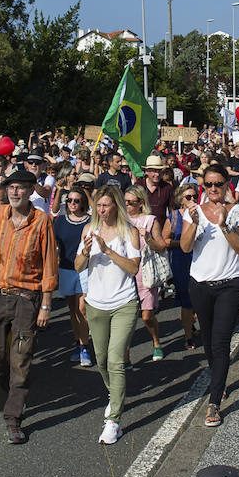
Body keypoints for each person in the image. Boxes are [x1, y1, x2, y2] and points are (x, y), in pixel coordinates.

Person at [0, 170, 58, 445]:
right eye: (12, 187)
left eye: (21, 188)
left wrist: (46, 305)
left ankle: (14, 417)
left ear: (31, 191)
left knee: (21, 356)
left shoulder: (42, 221)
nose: (15, 192)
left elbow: (49, 263)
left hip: (27, 297)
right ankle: (14, 389)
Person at [178, 164, 239, 426]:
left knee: (220, 343)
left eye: (218, 184)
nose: (213, 189)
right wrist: (193, 224)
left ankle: (214, 402)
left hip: (229, 285)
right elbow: (185, 248)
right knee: (208, 341)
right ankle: (219, 379)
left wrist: (224, 225)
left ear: (227, 184)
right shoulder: (194, 212)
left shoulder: (238, 212)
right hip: (200, 284)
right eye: (208, 184)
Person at [76, 185, 141, 444]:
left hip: (124, 302)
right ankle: (114, 395)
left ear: (116, 206)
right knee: (101, 360)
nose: (102, 210)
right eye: (98, 206)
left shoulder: (130, 232)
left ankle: (114, 420)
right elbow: (78, 266)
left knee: (115, 360)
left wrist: (107, 251)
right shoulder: (89, 230)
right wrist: (85, 251)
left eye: (106, 205)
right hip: (96, 303)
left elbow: (134, 269)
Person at [124, 184, 169, 360]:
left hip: (145, 273)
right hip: (125, 273)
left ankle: (156, 341)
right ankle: (125, 355)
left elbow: (162, 246)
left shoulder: (150, 220)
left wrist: (148, 238)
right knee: (126, 318)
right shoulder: (121, 220)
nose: (126, 205)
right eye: (124, 201)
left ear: (141, 203)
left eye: (130, 202)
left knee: (146, 316)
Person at [53, 185, 94, 367]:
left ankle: (85, 347)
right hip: (66, 268)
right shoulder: (60, 221)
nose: (72, 203)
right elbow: (54, 246)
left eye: (76, 200)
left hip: (85, 268)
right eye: (69, 200)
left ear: (83, 202)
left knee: (82, 308)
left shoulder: (91, 221)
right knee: (72, 310)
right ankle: (78, 343)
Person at [164, 183, 200, 349]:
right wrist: (184, 242)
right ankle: (188, 336)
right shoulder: (174, 217)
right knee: (187, 301)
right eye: (188, 197)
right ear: (180, 200)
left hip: (199, 260)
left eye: (195, 196)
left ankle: (192, 322)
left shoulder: (201, 213)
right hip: (181, 261)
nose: (192, 199)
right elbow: (165, 240)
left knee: (199, 298)